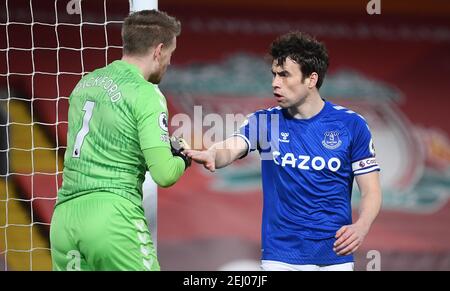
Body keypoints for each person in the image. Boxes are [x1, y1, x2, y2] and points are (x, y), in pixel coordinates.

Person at [185, 32, 382, 271]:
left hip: (335, 257)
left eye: (284, 75)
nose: (274, 83)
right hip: (281, 257)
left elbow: (371, 190)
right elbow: (231, 147)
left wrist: (361, 226)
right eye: (274, 75)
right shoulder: (264, 122)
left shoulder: (352, 125)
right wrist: (213, 154)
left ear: (311, 79)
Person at [50, 10, 191, 271]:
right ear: (159, 50)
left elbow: (113, 144)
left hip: (64, 221)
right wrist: (182, 158)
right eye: (171, 54)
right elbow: (165, 174)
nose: (169, 63)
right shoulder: (146, 93)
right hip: (113, 218)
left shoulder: (85, 84)